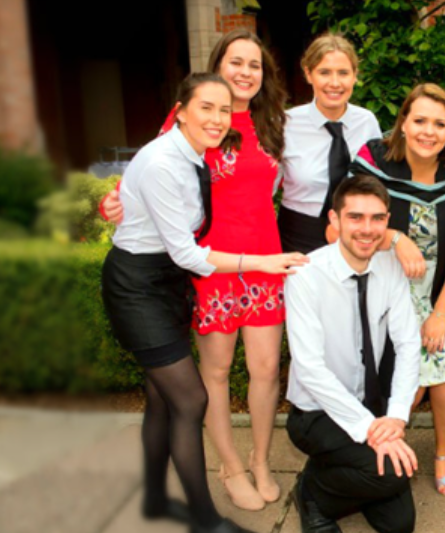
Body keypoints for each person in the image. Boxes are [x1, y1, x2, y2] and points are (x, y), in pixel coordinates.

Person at [101, 73, 306, 533]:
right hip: (139, 286)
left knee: (160, 398)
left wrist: (120, 201)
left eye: (222, 109)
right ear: (180, 111)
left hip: (169, 282)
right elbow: (188, 252)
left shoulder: (191, 151)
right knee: (191, 398)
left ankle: (155, 498)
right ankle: (204, 520)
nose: (216, 119)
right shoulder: (163, 161)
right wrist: (263, 264)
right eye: (206, 108)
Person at [349, 83, 445, 495]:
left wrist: (439, 314)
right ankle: (387, 433)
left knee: (443, 344)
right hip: (384, 289)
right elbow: (346, 226)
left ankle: (442, 448)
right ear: (402, 123)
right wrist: (396, 238)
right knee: (403, 360)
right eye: (419, 120)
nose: (428, 131)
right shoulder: (373, 162)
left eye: (440, 124)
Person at [285, 175, 420, 533]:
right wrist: (369, 429)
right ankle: (313, 493)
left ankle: (330, 471)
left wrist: (395, 419)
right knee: (391, 473)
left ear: (387, 221)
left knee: (400, 525)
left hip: (371, 408)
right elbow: (310, 368)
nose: (367, 228)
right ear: (334, 220)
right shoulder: (305, 275)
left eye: (377, 218)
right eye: (355, 217)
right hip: (316, 412)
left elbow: (408, 343)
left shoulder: (391, 267)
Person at [279, 33, 382, 254]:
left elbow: (379, 182)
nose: (334, 83)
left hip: (356, 234)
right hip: (299, 235)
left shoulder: (367, 122)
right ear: (308, 74)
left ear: (355, 76)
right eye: (324, 72)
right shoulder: (285, 124)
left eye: (343, 73)